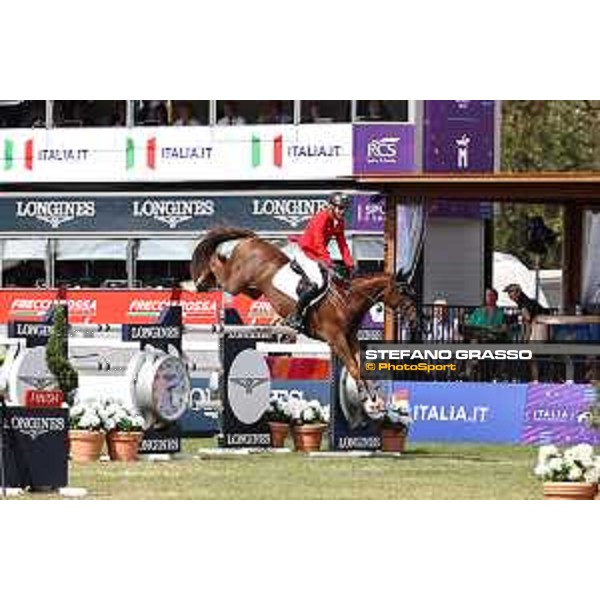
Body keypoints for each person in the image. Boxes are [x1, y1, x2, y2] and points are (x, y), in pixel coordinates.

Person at [283, 192, 354, 330]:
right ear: (331, 206)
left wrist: (350, 264)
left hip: (317, 254)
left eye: (344, 208)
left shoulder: (339, 222)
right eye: (340, 208)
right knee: (317, 283)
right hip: (305, 252)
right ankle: (295, 315)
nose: (342, 211)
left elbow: (342, 244)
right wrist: (328, 263)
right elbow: (319, 243)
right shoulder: (321, 218)